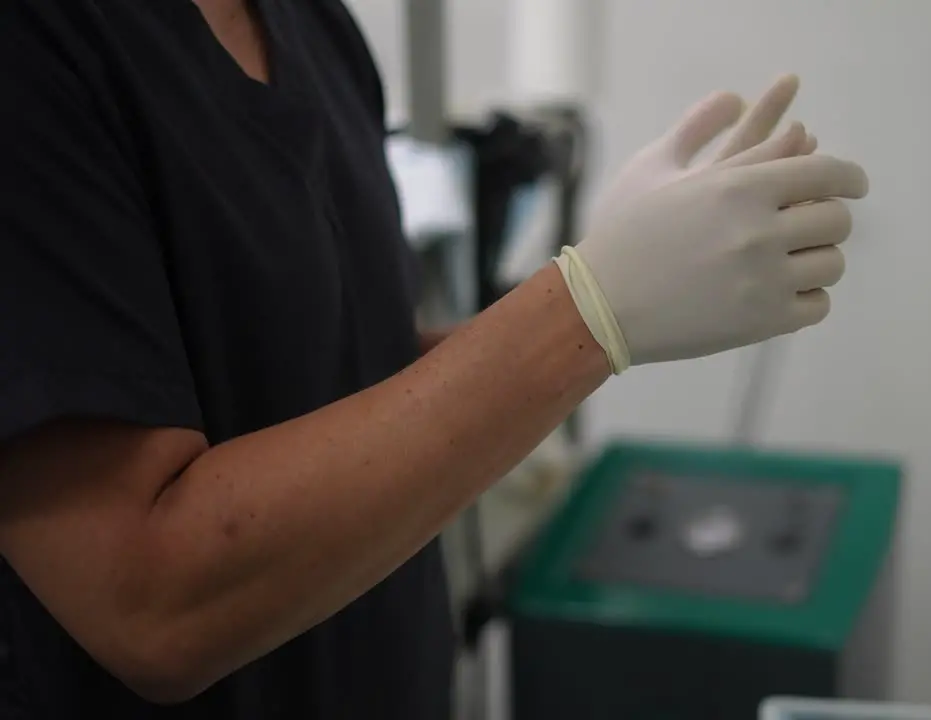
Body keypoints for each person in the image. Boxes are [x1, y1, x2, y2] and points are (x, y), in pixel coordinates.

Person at [0, 0, 868, 717]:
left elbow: (344, 366)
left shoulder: (309, 25)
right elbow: (150, 600)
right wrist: (583, 313)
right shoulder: (41, 49)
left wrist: (604, 288)